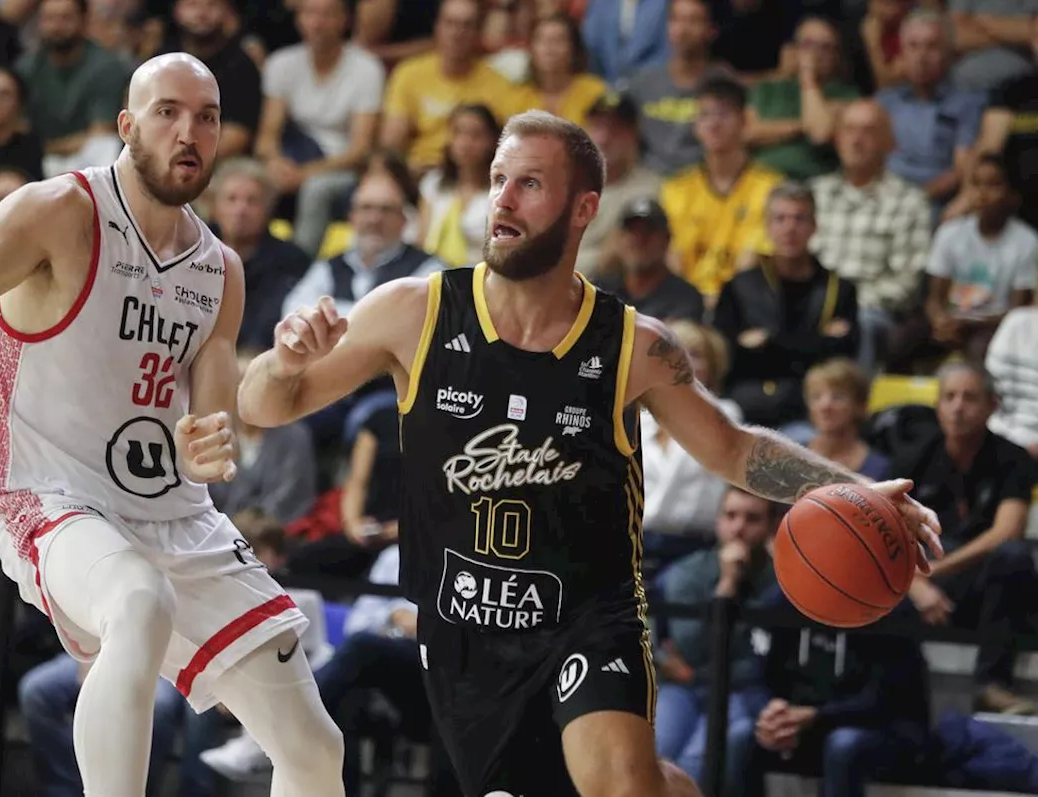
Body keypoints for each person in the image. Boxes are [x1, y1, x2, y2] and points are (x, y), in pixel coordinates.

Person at [238, 109, 943, 797]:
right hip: (465, 634)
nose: (503, 200)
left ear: (584, 208)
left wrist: (855, 487)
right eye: (497, 178)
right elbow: (262, 406)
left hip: (588, 612)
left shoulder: (633, 344)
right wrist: (284, 358)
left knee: (620, 785)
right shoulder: (414, 310)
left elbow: (734, 449)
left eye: (530, 184)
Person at [0, 53, 345, 797]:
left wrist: (206, 440)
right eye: (168, 112)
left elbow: (211, 422)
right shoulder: (62, 210)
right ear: (126, 125)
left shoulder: (220, 269)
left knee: (316, 747)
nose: (189, 132)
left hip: (171, 512)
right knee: (138, 600)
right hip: (48, 489)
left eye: (208, 117)